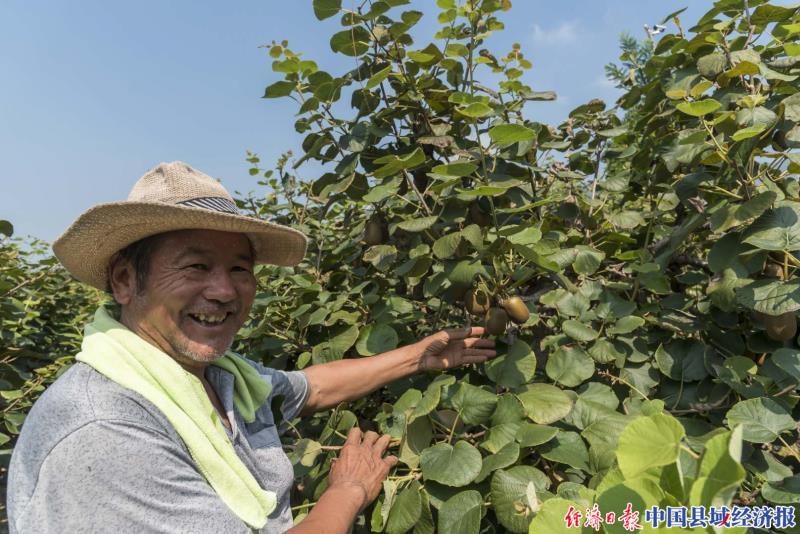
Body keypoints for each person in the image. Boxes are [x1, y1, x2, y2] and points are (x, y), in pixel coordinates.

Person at [6, 161, 497, 533]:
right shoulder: (106, 430)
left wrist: (418, 355)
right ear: (123, 281)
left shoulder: (216, 379)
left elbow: (312, 388)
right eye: (195, 266)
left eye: (240, 269)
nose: (224, 290)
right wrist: (346, 493)